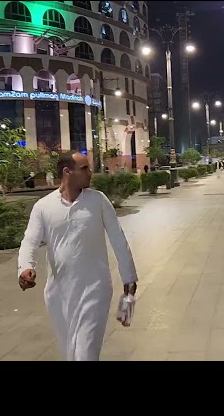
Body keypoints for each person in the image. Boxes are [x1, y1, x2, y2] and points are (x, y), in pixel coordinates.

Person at [17, 152, 138, 361]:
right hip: (59, 294)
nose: (91, 173)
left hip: (95, 290)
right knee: (70, 353)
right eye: (85, 169)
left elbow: (119, 239)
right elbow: (30, 241)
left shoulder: (98, 201)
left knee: (85, 355)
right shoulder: (43, 207)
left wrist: (129, 276)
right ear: (67, 172)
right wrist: (25, 267)